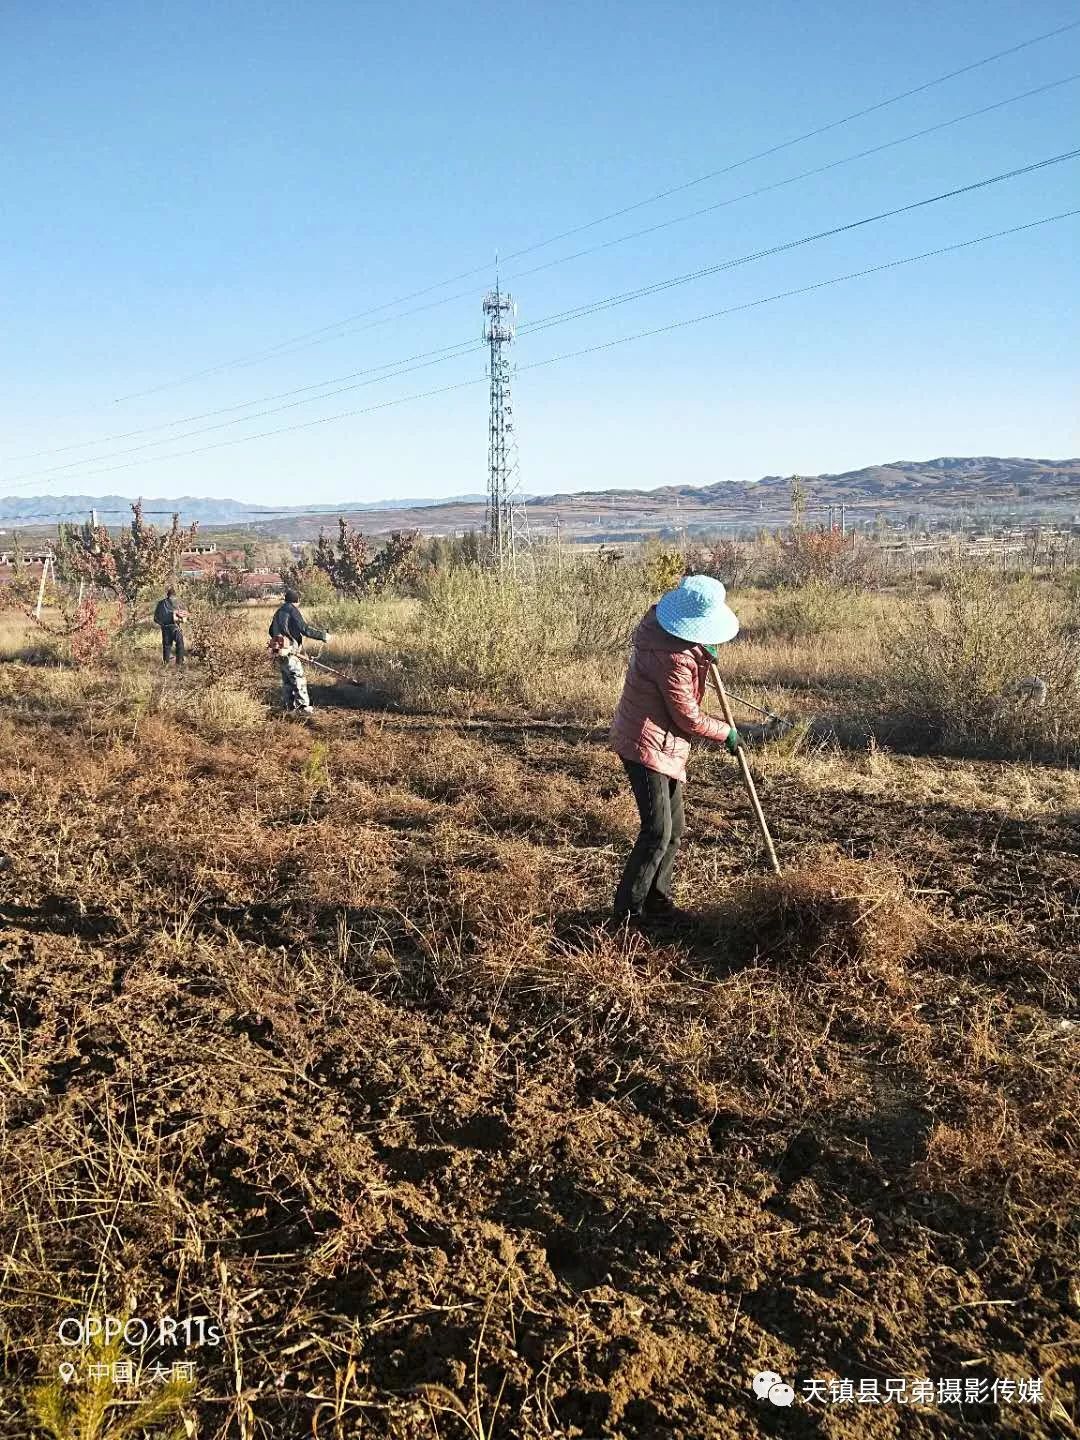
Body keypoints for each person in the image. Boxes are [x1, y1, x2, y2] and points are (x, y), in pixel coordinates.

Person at [609, 574, 778, 925]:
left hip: (663, 743)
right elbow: (687, 716)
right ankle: (628, 915)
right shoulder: (670, 657)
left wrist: (701, 653)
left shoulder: (671, 638)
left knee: (675, 829)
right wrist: (727, 733)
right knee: (656, 831)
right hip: (646, 745)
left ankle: (658, 903)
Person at [268, 588, 332, 716]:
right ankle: (303, 707)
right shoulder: (292, 609)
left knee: (287, 680)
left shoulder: (279, 611)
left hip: (278, 650)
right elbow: (304, 629)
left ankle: (288, 707)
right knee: (298, 677)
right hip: (289, 650)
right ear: (296, 601)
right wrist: (323, 636)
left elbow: (270, 631)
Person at [153, 587, 187, 666]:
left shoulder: (160, 603)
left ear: (167, 595)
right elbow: (183, 616)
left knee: (167, 646)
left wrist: (161, 624)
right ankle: (179, 663)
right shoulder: (177, 603)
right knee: (180, 643)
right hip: (174, 627)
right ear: (174, 595)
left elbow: (155, 618)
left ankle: (166, 663)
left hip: (165, 627)